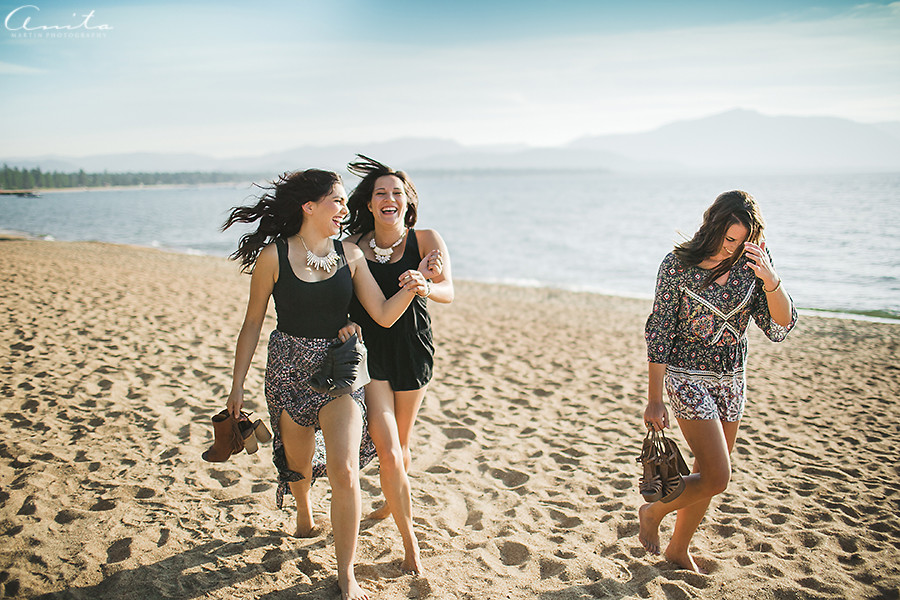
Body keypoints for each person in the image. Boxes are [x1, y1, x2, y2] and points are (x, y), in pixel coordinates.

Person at [221, 168, 441, 600]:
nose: (345, 209)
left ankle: (346, 574)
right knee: (299, 464)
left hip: (340, 372)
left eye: (344, 201)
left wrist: (417, 286)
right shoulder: (274, 257)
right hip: (289, 370)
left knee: (344, 470)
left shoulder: (351, 256)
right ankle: (303, 512)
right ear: (309, 206)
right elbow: (251, 324)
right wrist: (236, 385)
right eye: (337, 202)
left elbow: (380, 313)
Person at [639, 190, 796, 573]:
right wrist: (654, 398)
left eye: (743, 240)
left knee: (708, 475)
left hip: (732, 378)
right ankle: (652, 511)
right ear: (713, 226)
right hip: (687, 374)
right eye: (730, 239)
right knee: (718, 475)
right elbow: (659, 331)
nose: (735, 248)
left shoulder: (753, 262)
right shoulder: (677, 265)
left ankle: (678, 549)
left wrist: (771, 280)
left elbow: (781, 322)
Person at [343, 155, 453, 574]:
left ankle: (392, 501)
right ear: (369, 205)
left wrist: (426, 283)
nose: (389, 198)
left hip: (412, 350)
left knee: (401, 448)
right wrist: (413, 284)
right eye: (380, 193)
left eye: (397, 193)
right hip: (370, 355)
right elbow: (376, 312)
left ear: (408, 202)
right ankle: (412, 547)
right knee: (388, 451)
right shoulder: (353, 246)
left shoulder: (426, 239)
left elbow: (449, 292)